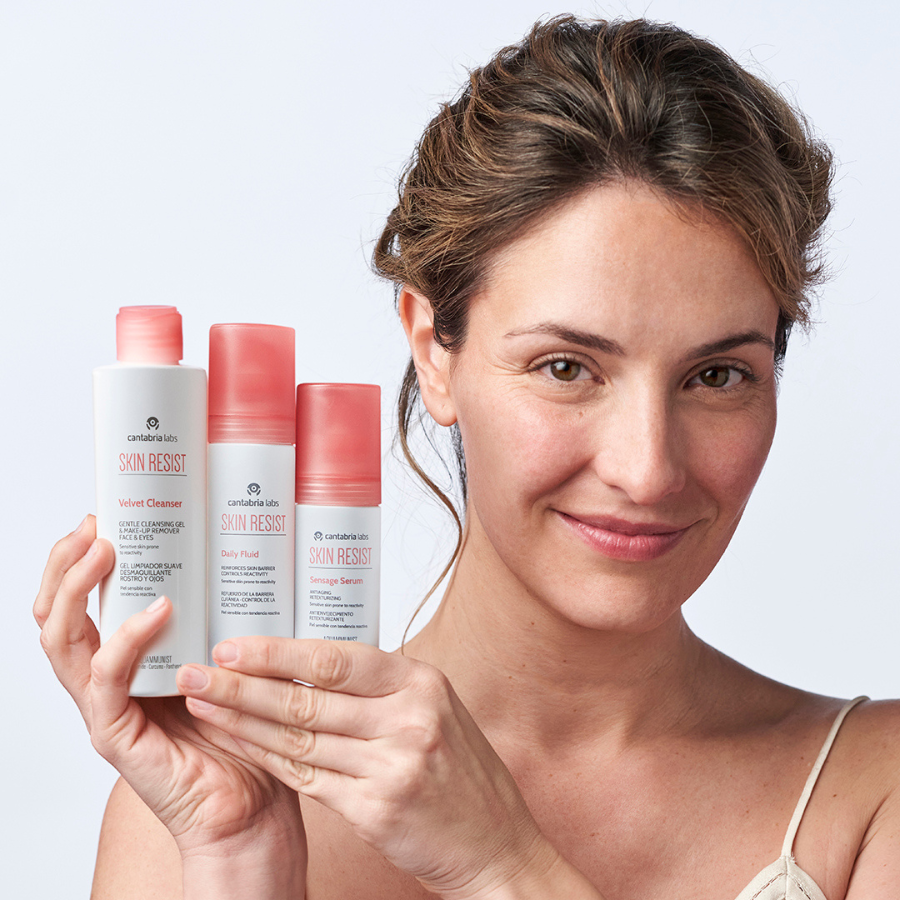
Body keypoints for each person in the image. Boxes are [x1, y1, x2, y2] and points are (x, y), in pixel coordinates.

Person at [35, 15, 899, 900]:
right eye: (566, 368)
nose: (647, 470)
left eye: (717, 376)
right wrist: (239, 855)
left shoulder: (875, 795)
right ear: (432, 352)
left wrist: (504, 866)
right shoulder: (188, 815)